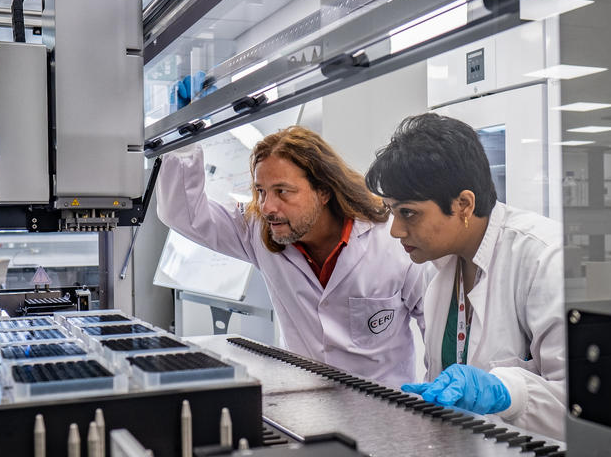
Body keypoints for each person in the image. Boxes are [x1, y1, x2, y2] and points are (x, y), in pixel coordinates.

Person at [156, 126, 427, 385]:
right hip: (305, 405)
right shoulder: (258, 232)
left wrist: (437, 401)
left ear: (323, 191)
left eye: (282, 191)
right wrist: (183, 138)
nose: (267, 207)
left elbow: (435, 321)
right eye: (261, 191)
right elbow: (182, 214)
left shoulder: (392, 240)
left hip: (384, 410)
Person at [365, 113, 565, 439]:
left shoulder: (544, 259)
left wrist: (507, 391)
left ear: (463, 205)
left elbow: (583, 408)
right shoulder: (441, 265)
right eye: (391, 211)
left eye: (408, 213)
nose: (396, 230)